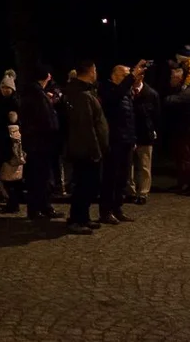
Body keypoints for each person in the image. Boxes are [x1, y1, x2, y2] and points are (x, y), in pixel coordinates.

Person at [64, 61, 109, 234]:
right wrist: (95, 151)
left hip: (87, 149)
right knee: (84, 185)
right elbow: (86, 126)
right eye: (95, 69)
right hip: (85, 150)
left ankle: (83, 217)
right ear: (90, 71)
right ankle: (76, 219)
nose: (96, 72)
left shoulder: (85, 91)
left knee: (89, 184)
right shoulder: (82, 94)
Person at [99, 62, 145, 223]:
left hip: (126, 140)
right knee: (110, 177)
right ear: (114, 76)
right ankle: (106, 210)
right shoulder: (108, 89)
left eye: (128, 75)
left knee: (122, 177)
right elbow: (114, 99)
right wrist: (132, 77)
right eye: (124, 75)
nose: (128, 78)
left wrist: (133, 138)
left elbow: (130, 117)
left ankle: (117, 207)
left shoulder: (126, 92)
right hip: (114, 140)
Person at [20, 65, 62, 220]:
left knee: (39, 177)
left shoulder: (32, 93)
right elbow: (46, 120)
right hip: (40, 143)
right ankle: (37, 209)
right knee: (39, 177)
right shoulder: (38, 95)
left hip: (35, 142)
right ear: (48, 76)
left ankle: (43, 207)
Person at [163, 63, 190, 193]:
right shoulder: (179, 89)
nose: (170, 79)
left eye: (173, 77)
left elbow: (174, 100)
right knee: (179, 157)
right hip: (179, 129)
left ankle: (187, 183)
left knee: (186, 157)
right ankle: (182, 182)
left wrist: (168, 99)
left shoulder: (188, 90)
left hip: (186, 130)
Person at [127, 77, 160, 205]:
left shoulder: (151, 94)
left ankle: (143, 192)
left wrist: (153, 131)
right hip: (130, 133)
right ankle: (130, 191)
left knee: (145, 165)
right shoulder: (127, 92)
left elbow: (157, 115)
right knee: (129, 165)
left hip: (145, 134)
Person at [0, 71, 21, 213]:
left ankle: (13, 202)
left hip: (10, 143)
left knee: (12, 175)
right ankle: (11, 201)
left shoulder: (13, 102)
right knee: (8, 175)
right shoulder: (1, 101)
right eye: (3, 87)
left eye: (7, 88)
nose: (5, 90)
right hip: (3, 141)